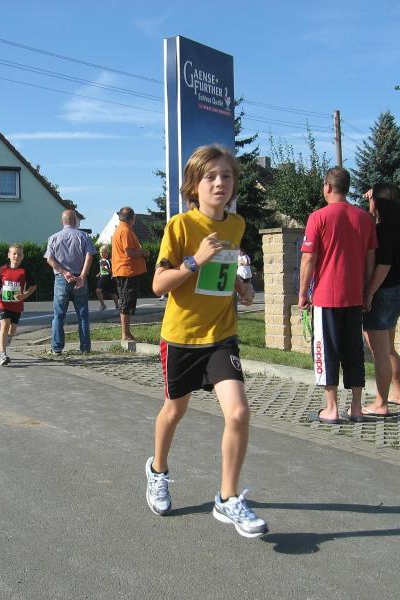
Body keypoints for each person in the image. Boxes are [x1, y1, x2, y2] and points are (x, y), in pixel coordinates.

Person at [146, 145, 266, 539]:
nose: (219, 183)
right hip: (181, 337)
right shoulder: (180, 226)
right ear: (193, 186)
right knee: (174, 411)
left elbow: (224, 272)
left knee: (239, 413)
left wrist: (243, 286)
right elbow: (159, 284)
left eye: (226, 176)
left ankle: (227, 498)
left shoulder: (237, 225)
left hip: (221, 336)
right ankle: (158, 470)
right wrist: (194, 259)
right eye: (210, 177)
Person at [299, 167, 377, 424]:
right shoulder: (364, 218)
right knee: (354, 350)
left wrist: (302, 293)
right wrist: (367, 291)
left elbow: (309, 258)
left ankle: (331, 408)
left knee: (325, 350)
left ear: (328, 187)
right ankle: (356, 407)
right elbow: (370, 259)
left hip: (326, 297)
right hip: (354, 297)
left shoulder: (318, 217)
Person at [361, 184, 400, 414]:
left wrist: (368, 293)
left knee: (380, 353)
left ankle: (380, 403)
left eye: (373, 198)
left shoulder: (382, 230)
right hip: (396, 293)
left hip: (381, 294)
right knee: (389, 349)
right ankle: (397, 393)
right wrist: (373, 199)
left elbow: (383, 266)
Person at [44, 209, 96, 354]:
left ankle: (57, 348)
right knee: (83, 315)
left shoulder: (53, 238)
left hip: (62, 279)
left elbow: (49, 259)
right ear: (75, 221)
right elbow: (89, 257)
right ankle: (85, 348)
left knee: (59, 315)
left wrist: (64, 272)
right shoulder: (84, 236)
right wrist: (82, 276)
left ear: (62, 221)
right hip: (80, 279)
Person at [0, 243, 37, 366]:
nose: (16, 256)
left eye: (19, 254)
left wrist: (24, 295)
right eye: (14, 254)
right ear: (9, 255)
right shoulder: (3, 269)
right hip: (3, 303)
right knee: (4, 325)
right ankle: (2, 354)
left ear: (23, 256)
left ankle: (9, 337)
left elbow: (33, 286)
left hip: (17, 305)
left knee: (13, 329)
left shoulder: (24, 271)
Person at [112, 206, 149, 341]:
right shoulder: (125, 231)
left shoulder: (120, 229)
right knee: (126, 302)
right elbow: (129, 252)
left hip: (124, 270)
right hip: (127, 271)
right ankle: (125, 334)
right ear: (132, 218)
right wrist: (143, 253)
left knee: (126, 301)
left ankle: (126, 333)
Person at [94, 244, 118, 312]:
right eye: (101, 252)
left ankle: (117, 306)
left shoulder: (110, 260)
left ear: (107, 253)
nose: (102, 254)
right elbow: (102, 269)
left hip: (109, 278)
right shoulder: (101, 260)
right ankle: (103, 305)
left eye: (103, 252)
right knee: (98, 290)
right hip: (102, 278)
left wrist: (106, 270)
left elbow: (112, 270)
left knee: (112, 293)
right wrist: (99, 273)